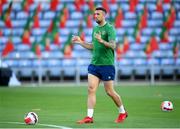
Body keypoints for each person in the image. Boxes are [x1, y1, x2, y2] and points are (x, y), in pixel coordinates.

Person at [72, 7, 128, 124]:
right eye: (94, 14)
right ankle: (89, 117)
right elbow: (93, 46)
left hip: (107, 65)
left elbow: (113, 46)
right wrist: (81, 42)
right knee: (91, 89)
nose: (95, 16)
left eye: (98, 14)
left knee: (109, 92)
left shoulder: (110, 28)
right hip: (94, 64)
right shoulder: (95, 29)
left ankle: (122, 112)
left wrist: (102, 41)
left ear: (104, 15)